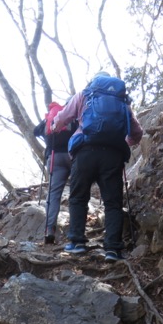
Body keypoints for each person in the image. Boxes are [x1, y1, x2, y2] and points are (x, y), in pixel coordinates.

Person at [52, 71, 143, 262]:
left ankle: (77, 242)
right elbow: (136, 132)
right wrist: (126, 141)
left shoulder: (84, 94)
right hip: (113, 155)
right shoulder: (121, 101)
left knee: (78, 197)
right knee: (113, 203)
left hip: (85, 151)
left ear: (93, 82)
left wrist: (54, 125)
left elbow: (62, 118)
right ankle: (112, 249)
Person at [33, 101, 75, 245]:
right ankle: (76, 230)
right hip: (72, 156)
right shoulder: (70, 117)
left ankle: (50, 230)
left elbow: (35, 131)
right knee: (77, 192)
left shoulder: (48, 119)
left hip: (54, 158)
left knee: (54, 194)